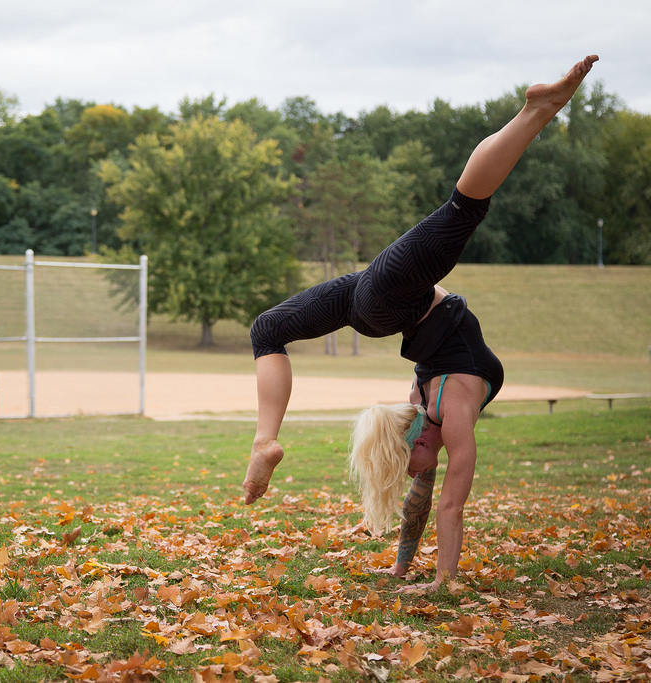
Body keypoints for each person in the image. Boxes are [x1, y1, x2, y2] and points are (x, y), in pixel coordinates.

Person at [242, 55, 599, 592]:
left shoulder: (432, 410)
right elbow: (438, 503)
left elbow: (443, 505)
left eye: (412, 462)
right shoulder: (439, 412)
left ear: (413, 438)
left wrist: (428, 577)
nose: (420, 470)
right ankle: (264, 439)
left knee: (462, 209)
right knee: (269, 329)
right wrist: (419, 574)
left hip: (388, 298)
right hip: (378, 302)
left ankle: (537, 111)